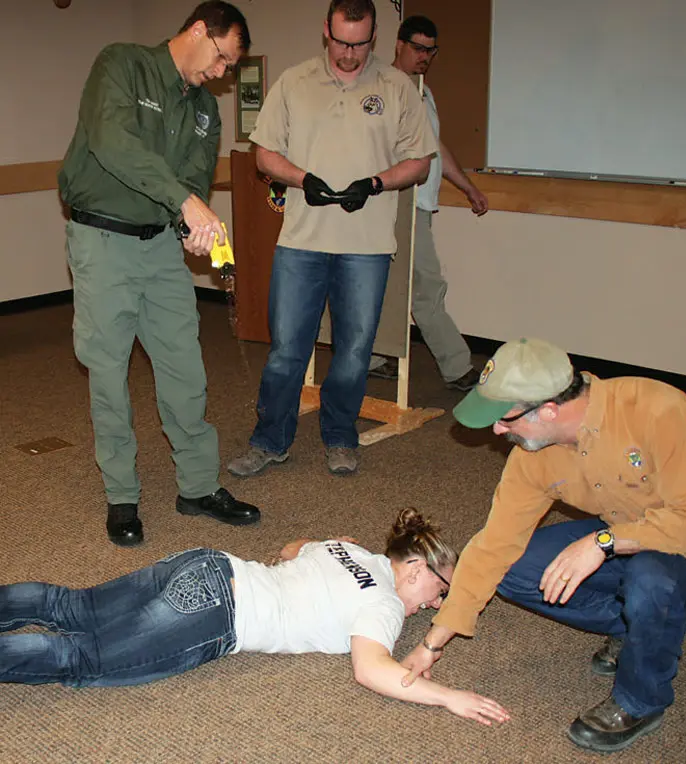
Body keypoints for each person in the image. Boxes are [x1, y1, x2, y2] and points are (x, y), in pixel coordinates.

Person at [400, 338, 686, 754]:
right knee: (516, 567)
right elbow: (493, 547)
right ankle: (638, 627)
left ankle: (640, 701)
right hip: (625, 542)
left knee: (650, 578)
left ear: (548, 411)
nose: (497, 430)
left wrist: (602, 541)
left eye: (504, 419)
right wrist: (431, 645)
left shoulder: (660, 411)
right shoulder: (534, 452)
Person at [0, 508, 510, 727]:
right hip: (215, 611)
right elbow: (371, 669)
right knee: (80, 657)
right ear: (415, 567)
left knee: (72, 606)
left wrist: (324, 547)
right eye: (440, 590)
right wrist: (450, 697)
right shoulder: (384, 603)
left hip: (204, 562)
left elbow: (291, 549)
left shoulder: (341, 547)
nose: (436, 604)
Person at [59, 2, 259, 547]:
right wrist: (184, 201)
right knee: (108, 373)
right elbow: (111, 141)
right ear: (198, 30)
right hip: (102, 242)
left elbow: (191, 179)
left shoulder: (204, 112)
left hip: (160, 251)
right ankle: (122, 496)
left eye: (228, 69)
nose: (220, 75)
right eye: (221, 59)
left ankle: (197, 485)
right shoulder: (122, 65)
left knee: (184, 367)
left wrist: (189, 222)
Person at [226, 0, 438, 479]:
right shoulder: (294, 82)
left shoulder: (397, 88)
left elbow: (419, 161)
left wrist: (377, 183)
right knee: (286, 350)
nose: (349, 53)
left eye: (359, 43)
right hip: (302, 242)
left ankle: (340, 436)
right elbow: (264, 155)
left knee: (355, 350)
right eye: (341, 42)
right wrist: (304, 178)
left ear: (375, 37)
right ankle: (270, 440)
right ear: (326, 31)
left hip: (367, 248)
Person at [368, 16, 489, 393]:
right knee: (426, 286)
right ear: (399, 46)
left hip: (419, 206)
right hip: (396, 204)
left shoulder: (423, 92)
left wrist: (467, 186)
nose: (425, 56)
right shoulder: (383, 88)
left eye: (430, 50)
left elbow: (435, 146)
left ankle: (371, 356)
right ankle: (457, 366)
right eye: (418, 48)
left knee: (387, 285)